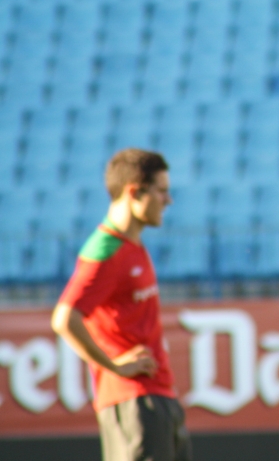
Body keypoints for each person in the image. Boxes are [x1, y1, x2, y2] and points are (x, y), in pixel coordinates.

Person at [52, 149, 191, 461]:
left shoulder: (132, 244)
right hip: (134, 402)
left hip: (157, 396)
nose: (168, 200)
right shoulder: (106, 249)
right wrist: (114, 365)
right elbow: (64, 318)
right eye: (161, 191)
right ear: (134, 192)